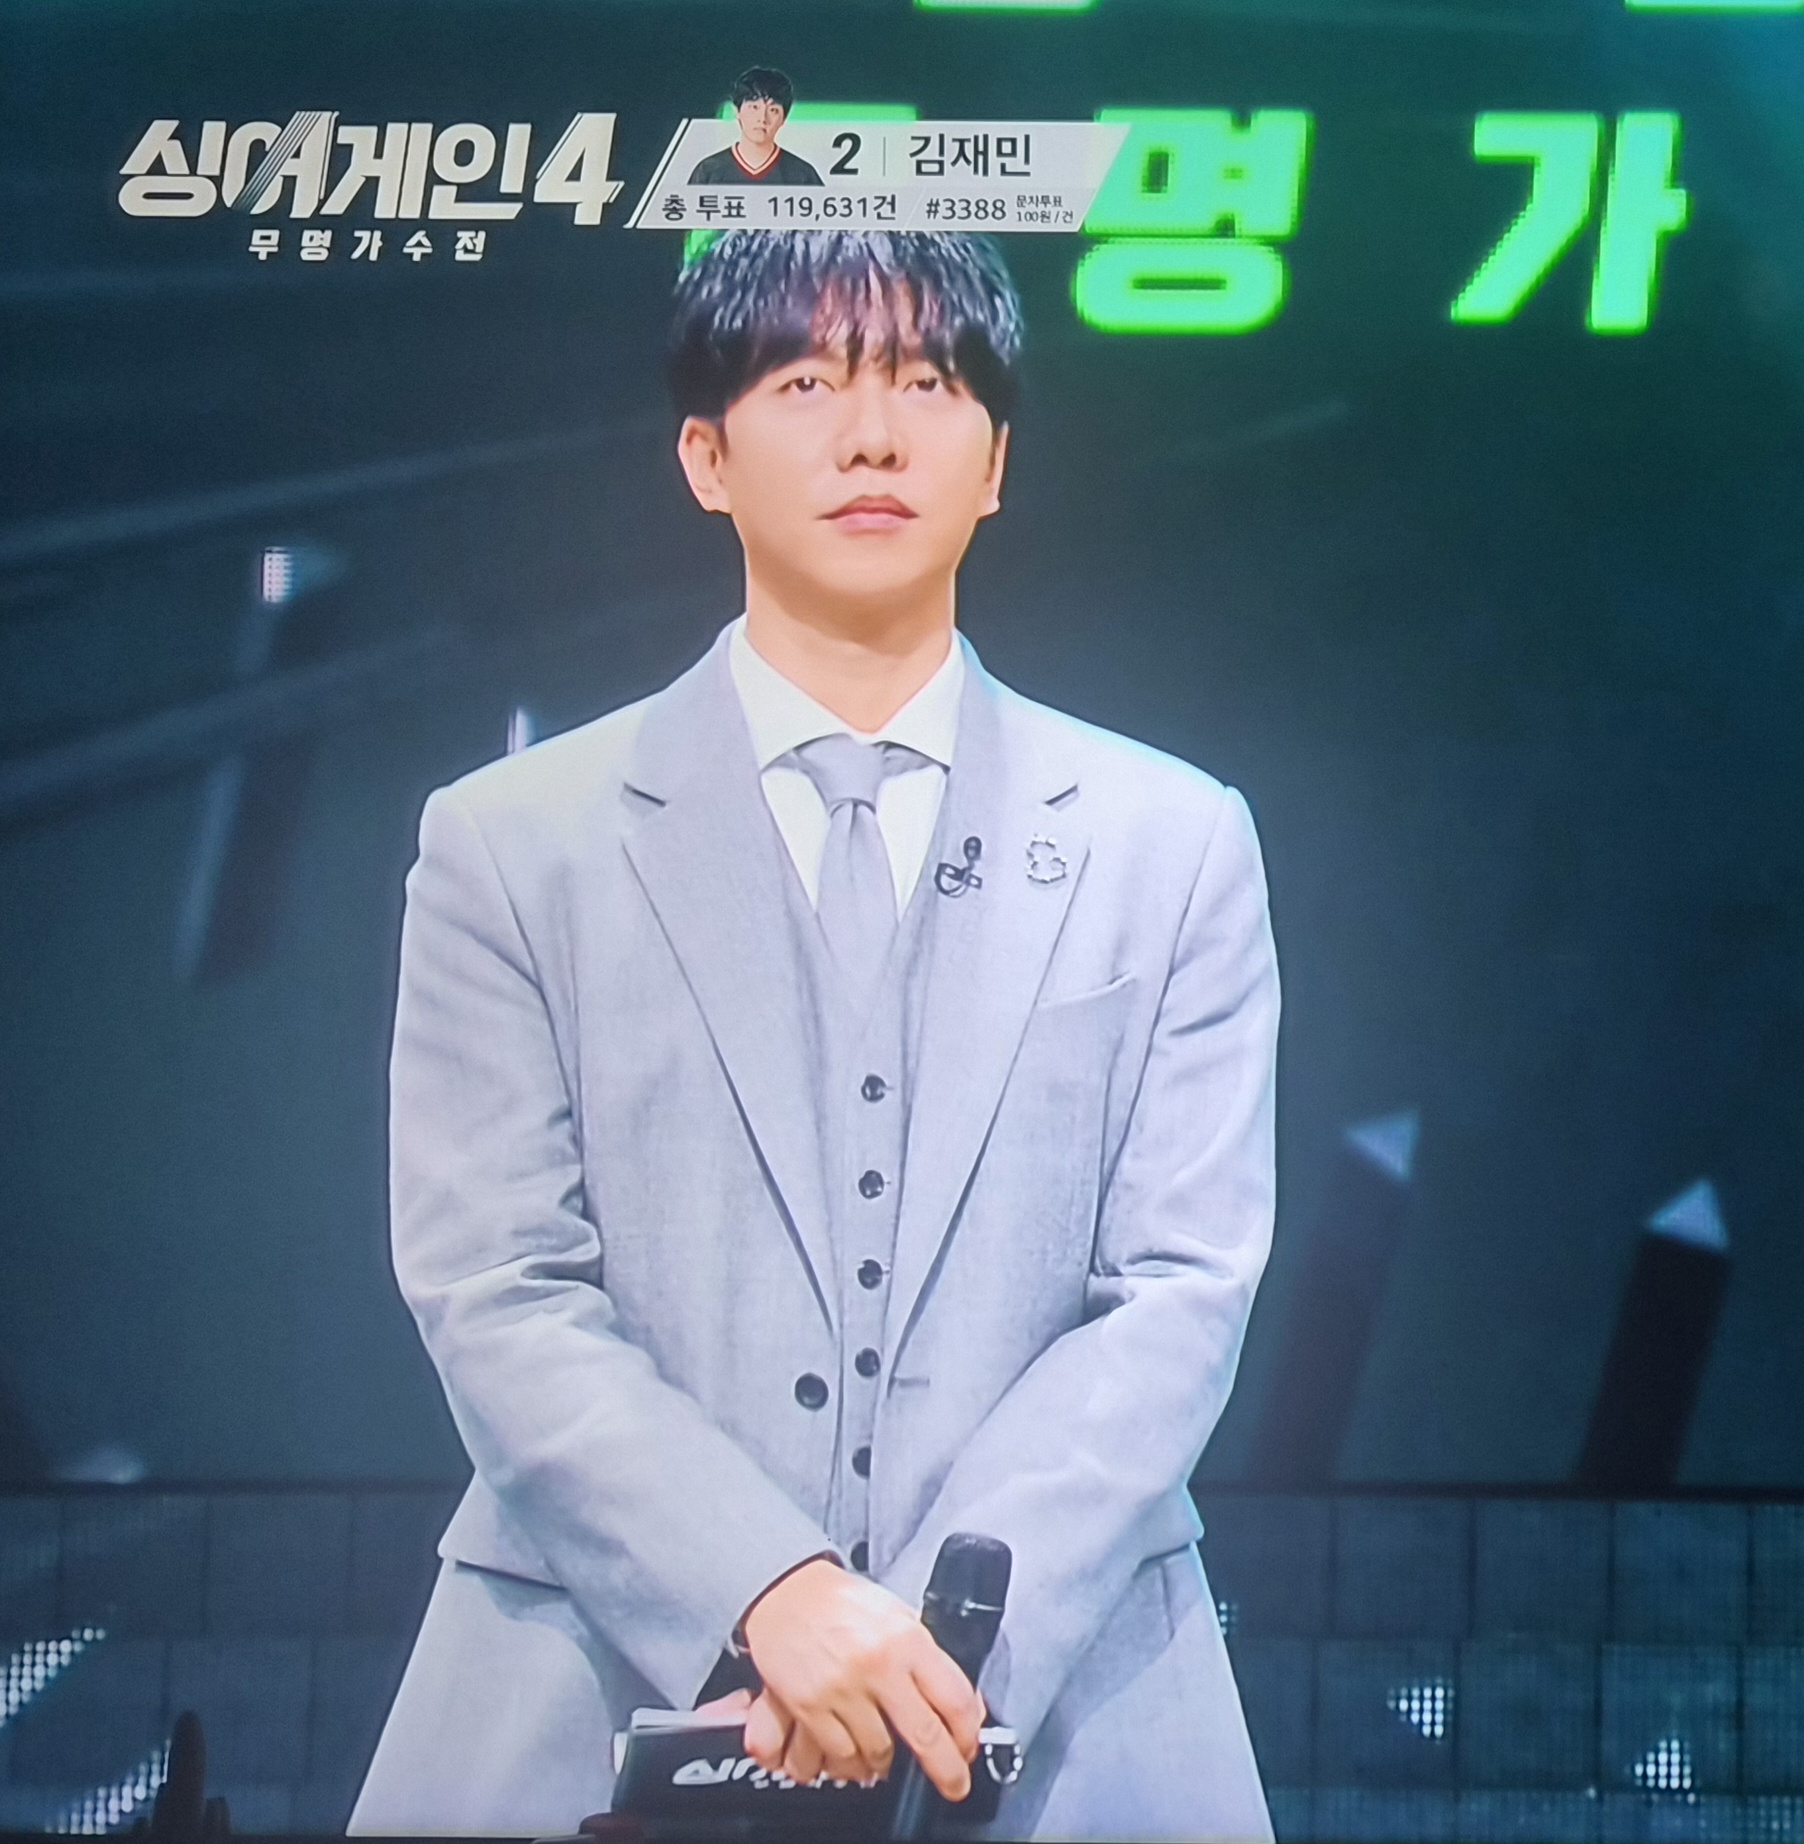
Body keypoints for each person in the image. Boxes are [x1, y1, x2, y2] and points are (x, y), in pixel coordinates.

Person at [350, 231, 1277, 1841]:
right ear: (704, 458)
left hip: (1065, 1710)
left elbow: (1181, 1287)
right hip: (585, 1687)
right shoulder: (512, 842)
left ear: (996, 463)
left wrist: (929, 1635)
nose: (871, 436)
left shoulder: (1171, 841)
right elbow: (493, 1279)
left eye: (925, 384)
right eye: (805, 384)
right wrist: (763, 1586)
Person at [688, 66, 826, 187]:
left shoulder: (803, 175)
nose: (762, 119)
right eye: (754, 107)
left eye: (773, 110)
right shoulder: (708, 171)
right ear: (737, 111)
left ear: (783, 119)